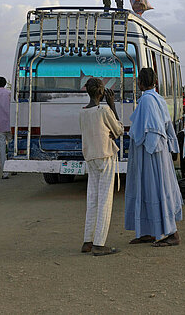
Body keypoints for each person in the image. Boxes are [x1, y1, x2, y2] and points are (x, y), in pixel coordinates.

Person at [125, 68, 183, 247]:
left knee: (156, 189)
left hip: (151, 154)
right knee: (148, 189)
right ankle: (148, 231)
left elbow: (152, 129)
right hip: (156, 152)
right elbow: (167, 126)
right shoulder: (157, 98)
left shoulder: (147, 100)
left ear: (141, 82)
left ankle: (172, 234)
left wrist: (144, 142)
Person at [79, 78, 124, 256]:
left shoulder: (82, 112)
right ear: (101, 92)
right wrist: (112, 105)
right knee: (105, 200)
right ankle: (99, 244)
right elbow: (119, 130)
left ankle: (88, 241)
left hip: (90, 157)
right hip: (105, 156)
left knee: (92, 198)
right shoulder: (105, 110)